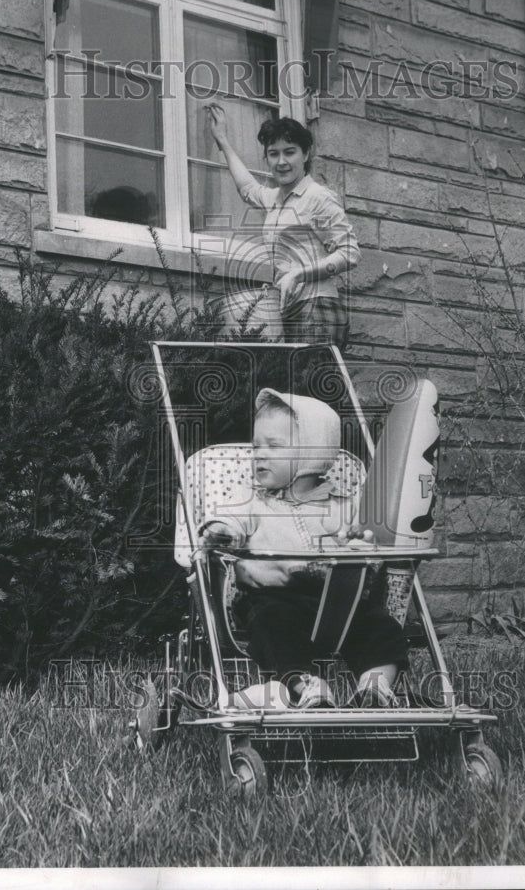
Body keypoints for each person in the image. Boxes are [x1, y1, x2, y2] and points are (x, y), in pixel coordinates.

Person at [200, 389, 408, 708]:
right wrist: (222, 533)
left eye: (274, 446)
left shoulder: (344, 505)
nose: (259, 455)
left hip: (339, 605)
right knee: (273, 623)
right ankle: (307, 687)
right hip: (274, 597)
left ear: (314, 453)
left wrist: (358, 539)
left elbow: (368, 540)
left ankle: (375, 689)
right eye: (256, 446)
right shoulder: (251, 502)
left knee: (381, 626)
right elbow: (231, 523)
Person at [207, 106, 360, 348]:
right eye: (273, 154)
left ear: (306, 154)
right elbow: (247, 188)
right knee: (291, 386)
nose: (281, 162)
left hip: (318, 308)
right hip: (289, 312)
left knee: (310, 386)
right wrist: (222, 140)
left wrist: (298, 274)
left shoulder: (317, 197)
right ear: (266, 158)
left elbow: (349, 252)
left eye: (290, 152)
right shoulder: (275, 200)